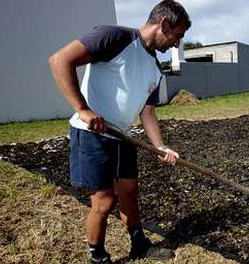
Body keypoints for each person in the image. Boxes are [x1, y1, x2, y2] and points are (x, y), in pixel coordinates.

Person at [48, 1, 191, 263]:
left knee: (129, 191)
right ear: (164, 24)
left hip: (123, 136)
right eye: (178, 36)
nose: (176, 45)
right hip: (92, 133)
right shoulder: (115, 37)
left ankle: (139, 245)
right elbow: (59, 61)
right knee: (104, 202)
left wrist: (160, 147)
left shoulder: (155, 69)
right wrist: (83, 109)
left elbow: (147, 113)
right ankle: (98, 257)